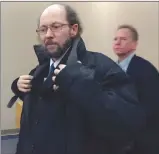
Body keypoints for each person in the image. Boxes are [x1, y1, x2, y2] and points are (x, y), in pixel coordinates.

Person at [11, 5, 145, 154]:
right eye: (43, 29)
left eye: (56, 27)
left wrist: (80, 84)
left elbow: (128, 122)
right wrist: (18, 88)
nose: (48, 34)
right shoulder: (37, 72)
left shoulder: (101, 67)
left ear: (73, 30)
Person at [113, 24, 159, 154]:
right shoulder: (110, 68)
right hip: (116, 138)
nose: (118, 42)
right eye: (115, 39)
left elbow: (152, 106)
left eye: (123, 39)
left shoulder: (146, 69)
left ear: (134, 44)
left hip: (142, 140)